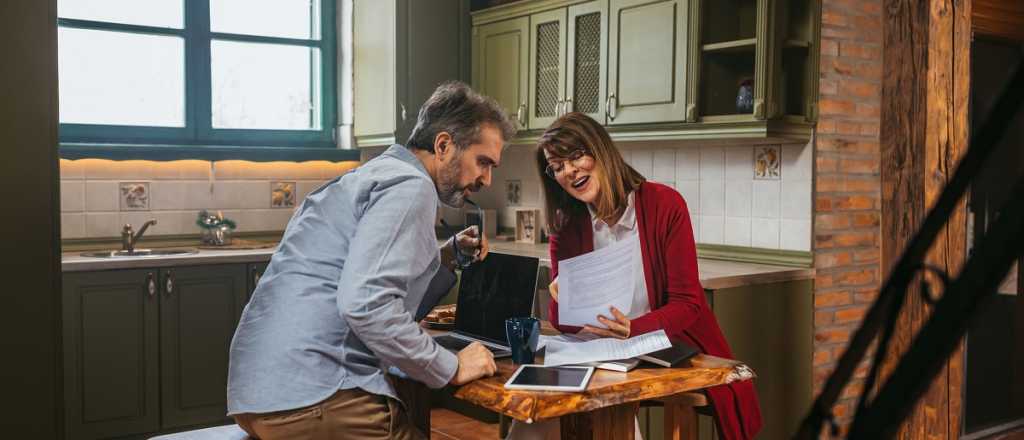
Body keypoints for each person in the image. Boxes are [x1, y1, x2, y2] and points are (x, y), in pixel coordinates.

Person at [227, 82, 517, 440]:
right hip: (318, 394)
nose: (487, 179)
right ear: (443, 146)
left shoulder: (371, 177)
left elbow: (371, 290)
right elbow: (365, 304)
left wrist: (447, 256)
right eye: (483, 162)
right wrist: (451, 365)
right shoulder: (412, 188)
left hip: (259, 396)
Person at [510, 112, 762, 440]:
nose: (569, 171)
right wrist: (566, 295)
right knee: (538, 406)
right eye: (557, 166)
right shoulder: (566, 226)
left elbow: (688, 304)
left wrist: (633, 329)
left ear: (600, 150)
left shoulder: (664, 204)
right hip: (604, 351)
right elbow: (564, 323)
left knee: (600, 399)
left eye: (576, 156)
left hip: (666, 342)